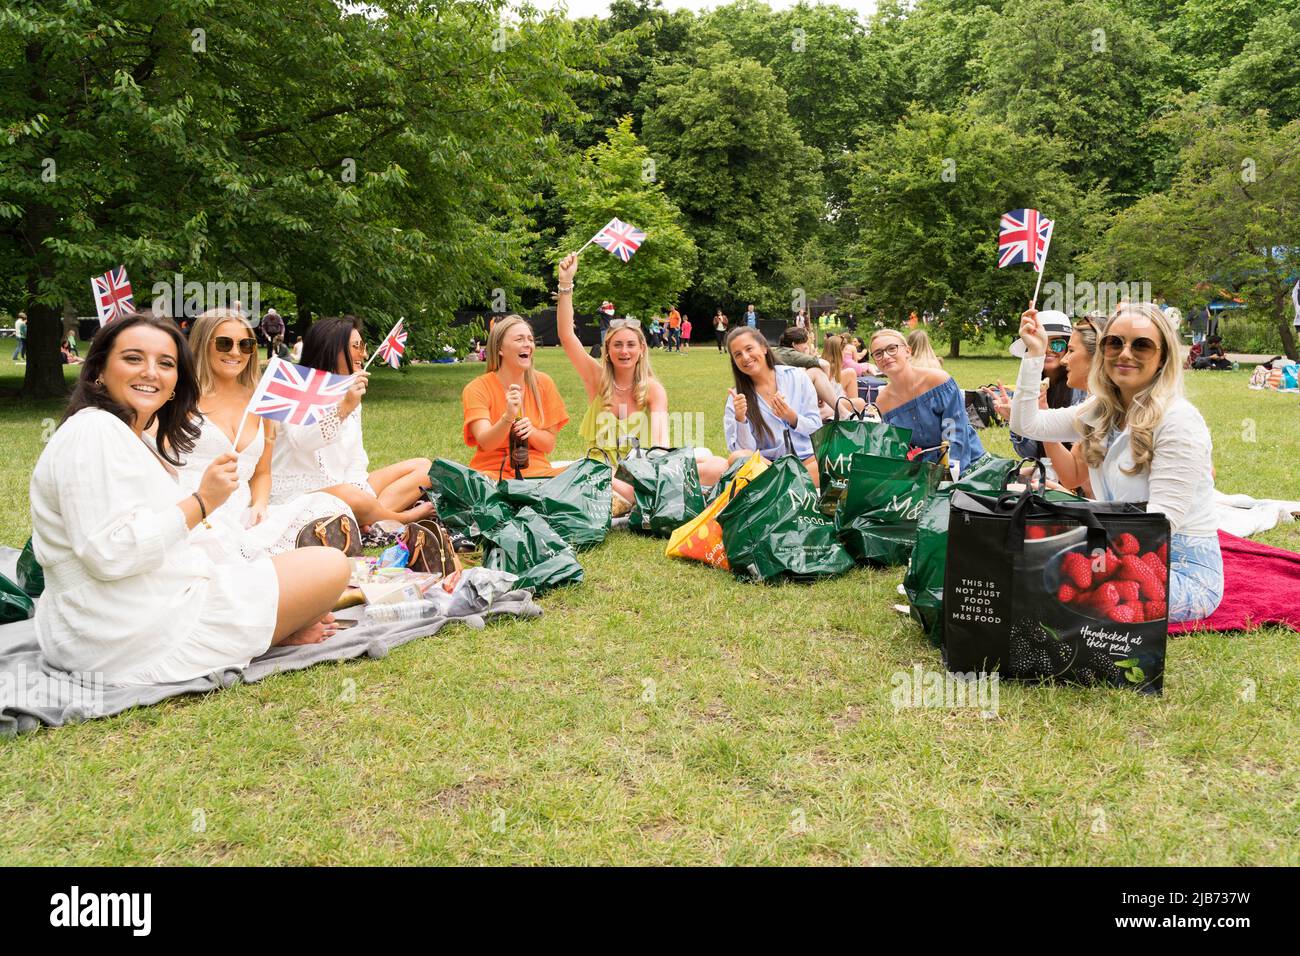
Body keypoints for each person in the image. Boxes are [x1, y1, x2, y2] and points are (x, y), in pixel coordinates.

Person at [28, 311, 350, 686]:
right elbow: (110, 554)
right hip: (122, 630)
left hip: (132, 608)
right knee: (329, 567)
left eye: (165, 363)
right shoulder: (94, 430)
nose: (150, 372)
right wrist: (202, 502)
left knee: (311, 553)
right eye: (133, 358)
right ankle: (273, 633)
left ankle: (269, 624)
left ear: (176, 379)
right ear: (98, 369)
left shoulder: (129, 434)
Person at [1010, 302, 1222, 623]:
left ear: (1163, 356)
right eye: (1114, 343)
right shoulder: (1101, 409)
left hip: (1175, 568)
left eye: (1141, 345)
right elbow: (1028, 425)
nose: (1124, 353)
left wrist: (1084, 544)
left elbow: (1160, 525)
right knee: (1028, 569)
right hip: (1120, 551)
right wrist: (1033, 355)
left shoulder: (1178, 420)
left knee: (1053, 589)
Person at [180, 308, 355, 557]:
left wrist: (260, 504)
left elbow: (262, 473)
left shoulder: (261, 401)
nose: (235, 352)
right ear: (202, 344)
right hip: (195, 509)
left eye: (246, 345)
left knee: (330, 506)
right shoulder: (180, 399)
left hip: (243, 511)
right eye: (223, 343)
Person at [556, 254, 726, 505]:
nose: (624, 351)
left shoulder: (653, 389)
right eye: (618, 345)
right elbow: (567, 336)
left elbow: (659, 445)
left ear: (641, 350)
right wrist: (566, 284)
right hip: (606, 472)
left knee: (718, 465)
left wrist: (654, 472)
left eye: (630, 345)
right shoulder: (596, 378)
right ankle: (651, 498)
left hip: (645, 470)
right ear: (608, 350)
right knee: (581, 473)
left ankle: (647, 496)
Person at [271, 316, 434, 527]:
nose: (364, 354)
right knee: (349, 495)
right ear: (332, 348)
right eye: (357, 347)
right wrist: (343, 408)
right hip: (299, 493)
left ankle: (370, 519)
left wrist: (360, 490)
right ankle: (401, 518)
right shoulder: (294, 385)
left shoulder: (350, 392)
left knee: (424, 467)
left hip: (343, 487)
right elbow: (301, 442)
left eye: (363, 346)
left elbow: (356, 457)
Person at [462, 314, 569, 478]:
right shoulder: (477, 388)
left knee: (591, 472)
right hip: (491, 475)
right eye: (519, 339)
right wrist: (508, 418)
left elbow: (548, 445)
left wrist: (530, 431)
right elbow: (486, 442)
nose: (527, 344)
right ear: (500, 348)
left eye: (530, 339)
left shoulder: (544, 383)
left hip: (537, 474)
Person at [870, 328, 986, 473]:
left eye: (892, 348)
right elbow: (898, 448)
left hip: (966, 462)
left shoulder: (938, 381)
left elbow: (956, 433)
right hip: (921, 472)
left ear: (907, 351)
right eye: (878, 353)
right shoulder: (883, 401)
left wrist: (950, 475)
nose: (885, 356)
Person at [722, 326, 821, 485]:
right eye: (738, 355)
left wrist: (792, 417)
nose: (745, 357)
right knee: (738, 458)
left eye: (749, 349)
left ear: (764, 348)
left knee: (834, 458)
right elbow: (743, 451)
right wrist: (741, 420)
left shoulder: (796, 377)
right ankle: (795, 484)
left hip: (807, 459)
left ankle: (783, 486)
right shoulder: (737, 398)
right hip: (769, 466)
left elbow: (817, 428)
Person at [989, 311, 1085, 465]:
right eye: (1042, 342)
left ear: (1068, 348)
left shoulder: (1080, 388)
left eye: (1057, 343)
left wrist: (1041, 419)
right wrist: (1015, 421)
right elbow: (1031, 453)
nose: (1048, 350)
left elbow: (1080, 456)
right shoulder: (1028, 388)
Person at [772, 326, 841, 413]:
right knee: (816, 371)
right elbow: (825, 364)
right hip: (785, 396)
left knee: (829, 410)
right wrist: (822, 394)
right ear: (794, 344)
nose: (806, 346)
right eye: (805, 343)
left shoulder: (777, 351)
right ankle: (841, 412)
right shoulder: (790, 354)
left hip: (781, 394)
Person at [820, 334, 867, 414]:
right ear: (838, 351)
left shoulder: (822, 363)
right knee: (860, 402)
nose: (846, 353)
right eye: (844, 350)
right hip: (828, 405)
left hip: (829, 404)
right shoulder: (828, 367)